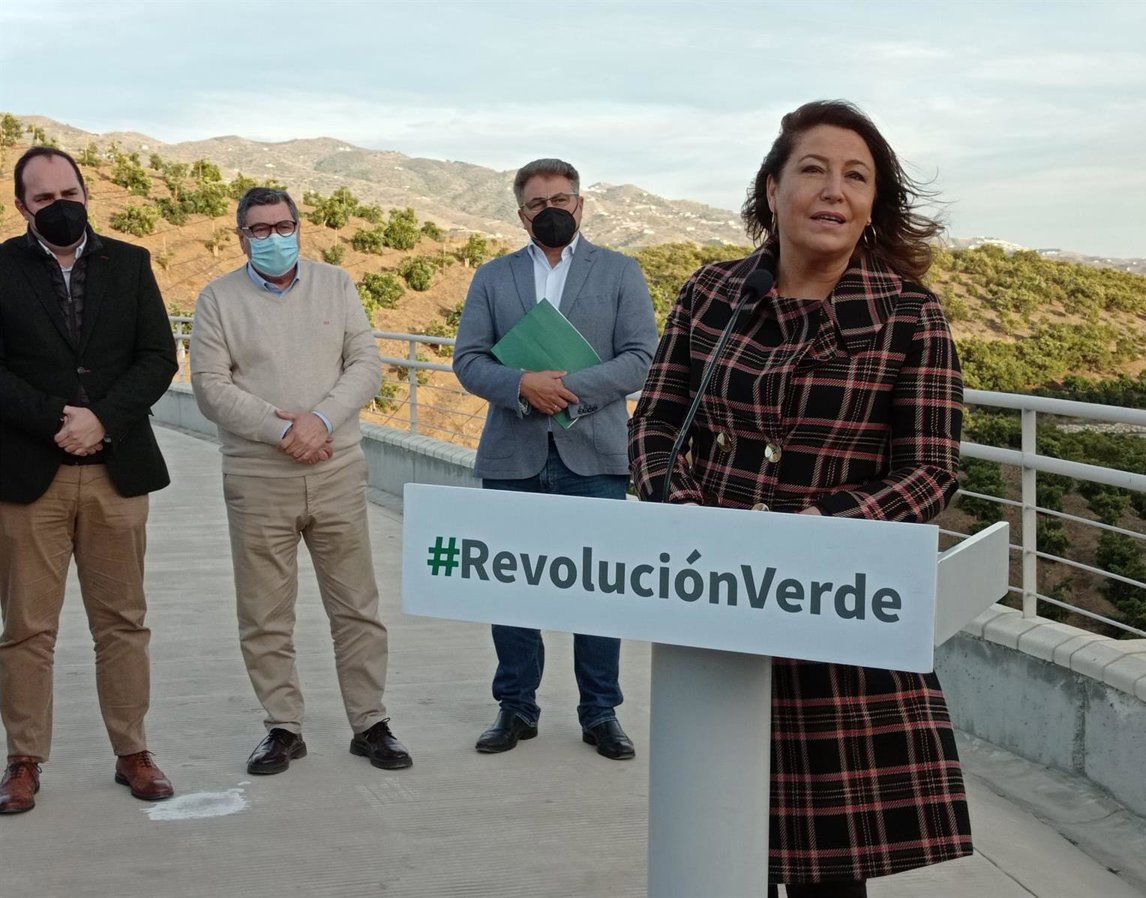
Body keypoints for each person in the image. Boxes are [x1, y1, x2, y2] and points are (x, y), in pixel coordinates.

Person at [628, 101, 970, 896]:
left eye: (856, 177)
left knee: (827, 871)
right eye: (813, 170)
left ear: (873, 203)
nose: (833, 191)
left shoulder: (910, 316)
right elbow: (657, 422)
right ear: (772, 190)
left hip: (833, 616)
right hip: (717, 599)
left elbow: (930, 471)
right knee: (717, 842)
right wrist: (678, 503)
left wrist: (829, 528)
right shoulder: (712, 293)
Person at [190, 187, 411, 775]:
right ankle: (283, 727)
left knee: (357, 607)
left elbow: (365, 363)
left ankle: (371, 723)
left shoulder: (336, 285)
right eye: (259, 230)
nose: (273, 238)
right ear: (241, 237)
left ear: (298, 227)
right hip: (259, 477)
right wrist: (281, 429)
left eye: (282, 226)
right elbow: (209, 386)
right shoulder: (218, 299)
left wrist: (320, 421)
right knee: (265, 613)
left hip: (337, 469)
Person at [453, 158, 658, 760]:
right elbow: (468, 360)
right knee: (510, 589)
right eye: (538, 203)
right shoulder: (493, 277)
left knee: (598, 591)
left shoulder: (620, 271)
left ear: (580, 205)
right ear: (522, 215)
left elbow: (641, 357)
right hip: (512, 454)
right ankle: (516, 706)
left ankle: (601, 712)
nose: (551, 211)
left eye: (561, 200)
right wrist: (522, 385)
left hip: (594, 456)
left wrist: (567, 388)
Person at [0, 146, 178, 813]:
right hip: (30, 476)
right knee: (27, 628)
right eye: (44, 198)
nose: (60, 206)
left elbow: (158, 356)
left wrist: (103, 420)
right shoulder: (2, 268)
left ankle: (133, 752)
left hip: (116, 471)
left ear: (86, 192)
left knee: (123, 622)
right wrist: (59, 420)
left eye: (69, 193)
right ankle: (23, 760)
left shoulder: (130, 264)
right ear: (22, 205)